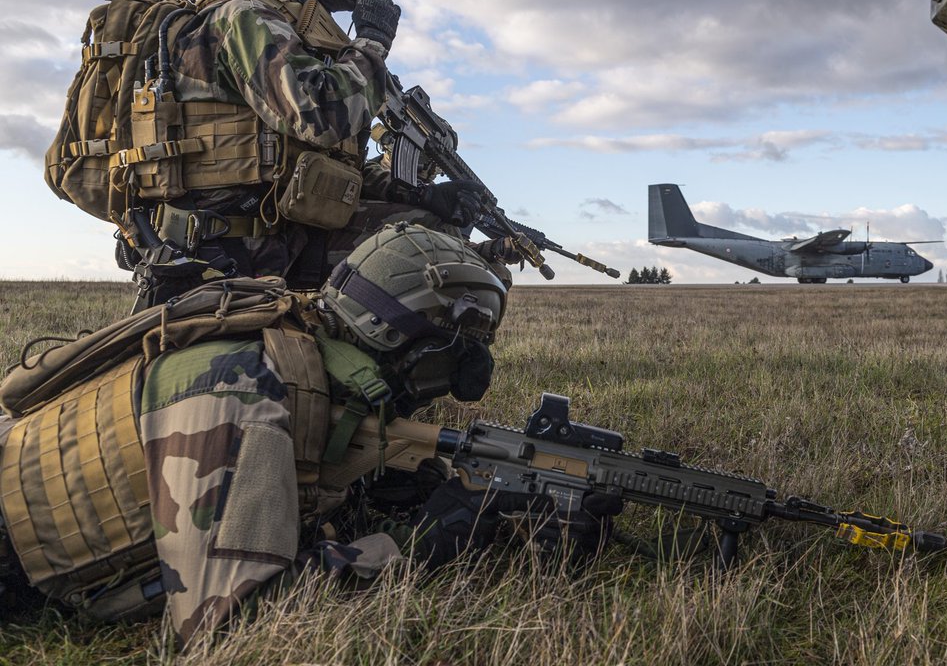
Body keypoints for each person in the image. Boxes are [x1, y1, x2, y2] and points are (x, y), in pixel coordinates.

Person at [0, 224, 616, 647]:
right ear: (404, 341)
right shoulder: (246, 390)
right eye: (451, 359)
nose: (450, 385)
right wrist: (415, 547)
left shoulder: (308, 355)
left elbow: (308, 486)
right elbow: (228, 625)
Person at [119, 0, 513, 306]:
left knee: (449, 254)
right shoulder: (244, 18)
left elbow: (330, 165)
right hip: (220, 251)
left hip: (286, 234)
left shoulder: (303, 38)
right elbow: (320, 115)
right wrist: (372, 43)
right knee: (441, 270)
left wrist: (423, 195)